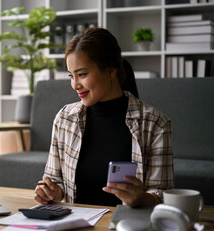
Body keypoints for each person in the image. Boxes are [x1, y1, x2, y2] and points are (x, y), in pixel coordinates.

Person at [34, 27, 174, 207]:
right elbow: (55, 180)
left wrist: (142, 198)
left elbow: (163, 193)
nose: (75, 85)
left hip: (126, 226)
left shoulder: (155, 123)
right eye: (71, 76)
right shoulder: (64, 119)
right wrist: (52, 191)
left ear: (110, 71)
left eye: (82, 74)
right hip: (75, 225)